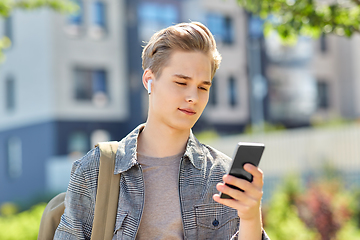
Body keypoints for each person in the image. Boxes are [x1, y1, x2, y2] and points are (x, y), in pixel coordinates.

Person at [54, 22, 270, 240]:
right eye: (180, 82)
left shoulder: (222, 175)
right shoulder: (95, 171)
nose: (193, 97)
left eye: (203, 87)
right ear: (149, 80)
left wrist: (251, 218)